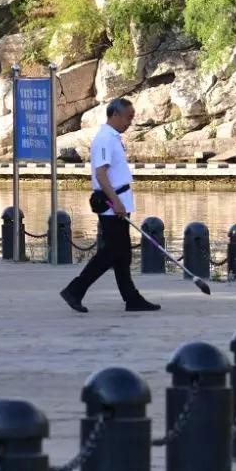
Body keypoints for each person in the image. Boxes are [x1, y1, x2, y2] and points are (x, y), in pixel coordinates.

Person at [59, 98, 160, 314]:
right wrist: (116, 202)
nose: (130, 122)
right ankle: (75, 289)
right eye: (128, 117)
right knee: (111, 252)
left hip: (118, 201)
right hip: (111, 204)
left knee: (122, 255)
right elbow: (101, 174)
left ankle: (132, 298)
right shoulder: (105, 138)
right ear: (115, 115)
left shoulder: (114, 138)